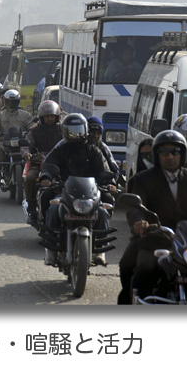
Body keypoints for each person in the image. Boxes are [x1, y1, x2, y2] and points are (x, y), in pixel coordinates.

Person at [39, 113, 113, 265]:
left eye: (78, 130)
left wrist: (109, 181)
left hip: (90, 192)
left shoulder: (93, 150)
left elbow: (103, 168)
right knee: (52, 209)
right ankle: (51, 249)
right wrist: (46, 177)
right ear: (65, 131)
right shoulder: (60, 149)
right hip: (64, 189)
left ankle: (100, 250)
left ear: (85, 130)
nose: (75, 134)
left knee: (104, 211)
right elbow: (49, 164)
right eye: (72, 131)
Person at [126, 129, 187, 230]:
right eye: (164, 152)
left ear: (183, 154)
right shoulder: (142, 179)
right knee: (134, 246)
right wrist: (139, 222)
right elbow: (135, 209)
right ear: (157, 155)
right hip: (153, 236)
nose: (170, 157)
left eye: (175, 152)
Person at [23, 100, 63, 224]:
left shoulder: (63, 130)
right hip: (39, 163)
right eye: (47, 116)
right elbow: (26, 144)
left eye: (52, 116)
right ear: (42, 117)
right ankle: (32, 210)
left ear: (57, 117)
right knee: (30, 178)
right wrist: (27, 153)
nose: (50, 119)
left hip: (60, 164)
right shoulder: (35, 131)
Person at [0, 89, 35, 184]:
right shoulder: (0, 115)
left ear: (18, 102)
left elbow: (32, 126)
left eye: (13, 102)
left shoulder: (25, 115)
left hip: (21, 142)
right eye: (9, 102)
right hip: (4, 141)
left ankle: (33, 172)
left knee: (33, 150)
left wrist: (31, 129)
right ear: (5, 102)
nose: (11, 104)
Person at [85, 117, 120, 185]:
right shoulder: (75, 145)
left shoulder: (103, 148)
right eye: (92, 132)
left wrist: (111, 184)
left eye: (98, 133)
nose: (95, 136)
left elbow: (114, 170)